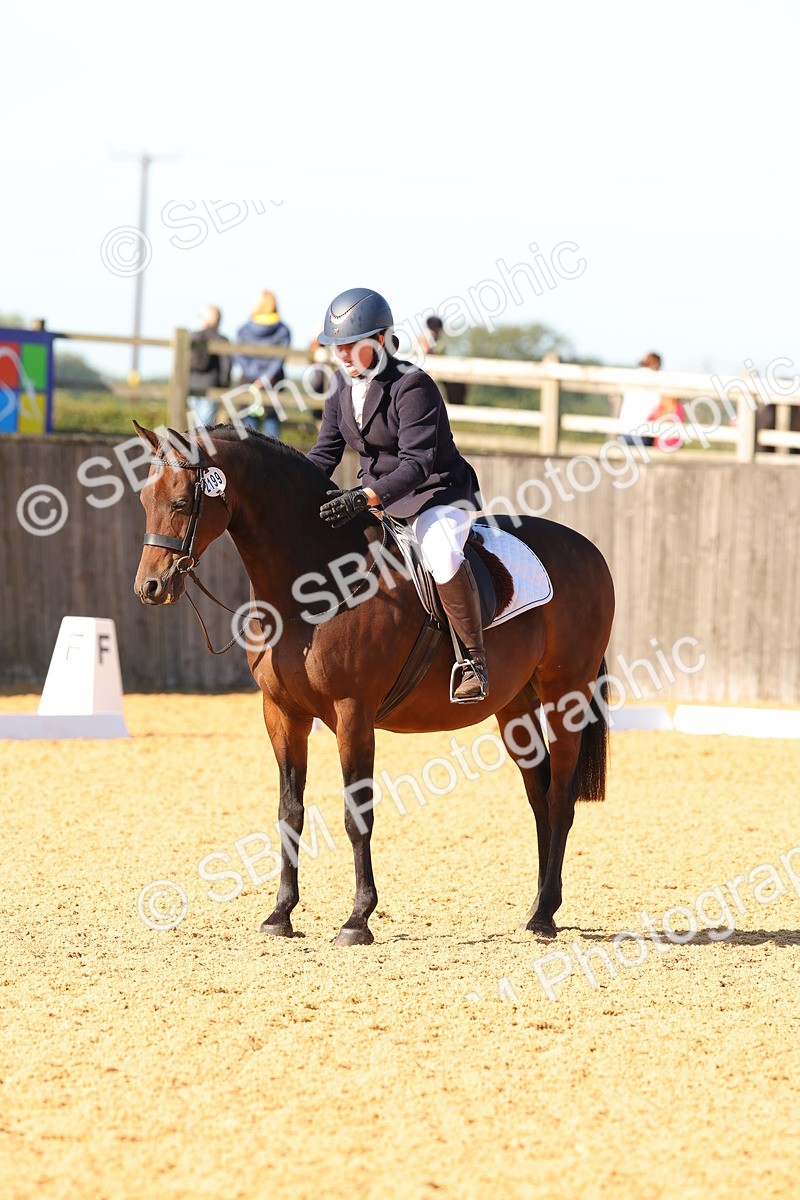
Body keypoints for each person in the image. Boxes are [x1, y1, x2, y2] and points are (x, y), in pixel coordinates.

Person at [307, 287, 488, 703]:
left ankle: (473, 660)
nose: (344, 356)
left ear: (382, 340)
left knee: (440, 553)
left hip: (436, 494)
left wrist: (364, 497)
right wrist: (296, 490)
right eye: (338, 347)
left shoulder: (413, 385)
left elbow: (417, 464)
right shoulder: (339, 386)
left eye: (354, 346)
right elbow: (325, 453)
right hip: (377, 497)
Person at [234, 291, 291, 439]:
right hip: (273, 382)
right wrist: (265, 378)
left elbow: (239, 355)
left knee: (248, 425)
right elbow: (280, 358)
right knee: (271, 423)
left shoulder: (243, 330)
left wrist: (254, 375)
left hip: (249, 382)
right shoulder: (283, 331)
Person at [187, 305, 230, 427]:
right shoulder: (221, 340)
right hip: (211, 387)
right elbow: (226, 366)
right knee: (205, 427)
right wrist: (223, 386)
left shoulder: (192, 336)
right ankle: (200, 446)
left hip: (191, 386)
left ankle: (195, 445)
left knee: (196, 425)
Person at [618, 351, 662, 446]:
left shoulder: (632, 375)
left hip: (625, 429)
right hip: (643, 433)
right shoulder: (656, 379)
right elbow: (657, 404)